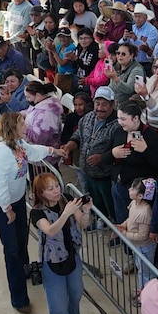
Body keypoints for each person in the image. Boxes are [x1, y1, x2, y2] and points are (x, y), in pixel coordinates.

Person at [0, 112, 55, 314]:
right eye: (22, 124)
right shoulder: (0, 151)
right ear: (12, 127)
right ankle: (19, 299)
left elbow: (32, 152)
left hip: (16, 200)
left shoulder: (18, 144)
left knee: (22, 241)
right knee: (12, 250)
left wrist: (53, 150)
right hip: (3, 205)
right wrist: (7, 209)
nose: (26, 127)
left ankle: (23, 270)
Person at [30, 172, 92, 314]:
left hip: (72, 256)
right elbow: (49, 230)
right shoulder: (37, 212)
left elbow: (83, 222)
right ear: (41, 193)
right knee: (57, 305)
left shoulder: (67, 199)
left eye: (57, 185)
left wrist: (87, 210)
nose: (56, 191)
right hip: (52, 262)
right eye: (50, 189)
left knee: (75, 292)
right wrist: (66, 214)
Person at [59, 87, 120, 221]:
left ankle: (114, 228)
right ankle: (98, 220)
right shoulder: (88, 117)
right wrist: (69, 147)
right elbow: (77, 136)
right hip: (86, 170)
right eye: (97, 104)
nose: (100, 108)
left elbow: (120, 149)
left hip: (106, 175)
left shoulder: (118, 124)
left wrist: (102, 158)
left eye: (104, 104)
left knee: (110, 205)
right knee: (94, 201)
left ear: (112, 104)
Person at [104, 102, 158, 226]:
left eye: (123, 119)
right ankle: (123, 240)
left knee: (140, 225)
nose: (120, 122)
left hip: (141, 192)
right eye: (118, 118)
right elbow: (104, 157)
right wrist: (113, 153)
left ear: (136, 118)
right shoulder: (118, 132)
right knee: (122, 220)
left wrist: (145, 151)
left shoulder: (151, 135)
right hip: (119, 185)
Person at [120, 177, 158, 305]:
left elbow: (142, 235)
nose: (129, 189)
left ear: (141, 195)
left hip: (144, 247)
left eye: (133, 188)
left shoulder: (145, 212)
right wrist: (123, 225)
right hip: (136, 246)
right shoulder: (134, 204)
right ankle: (143, 289)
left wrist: (124, 233)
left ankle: (149, 295)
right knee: (141, 269)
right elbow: (130, 219)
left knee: (147, 273)